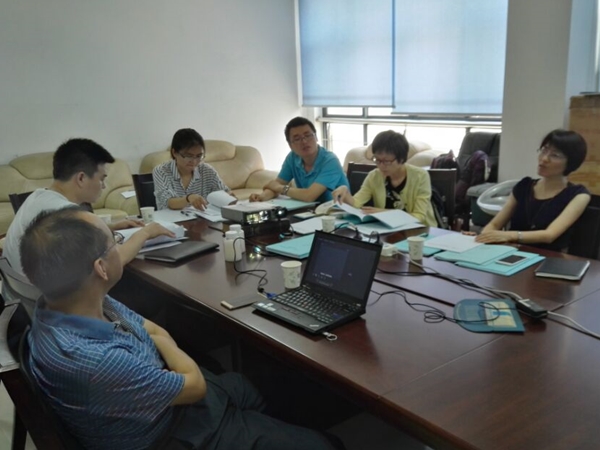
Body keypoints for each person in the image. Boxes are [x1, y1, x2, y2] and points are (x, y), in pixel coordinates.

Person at [20, 206, 343, 450]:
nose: (121, 246)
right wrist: (165, 346)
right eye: (115, 242)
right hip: (170, 432)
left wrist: (162, 345)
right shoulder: (96, 361)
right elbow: (192, 384)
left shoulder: (67, 302)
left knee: (256, 387)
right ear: (101, 268)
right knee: (325, 444)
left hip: (162, 397)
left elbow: (156, 333)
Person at [3, 138, 173, 279]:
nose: (103, 186)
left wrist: (109, 226)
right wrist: (146, 233)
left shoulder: (36, 197)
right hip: (57, 304)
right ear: (81, 178)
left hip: (25, 298)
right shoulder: (72, 215)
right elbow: (111, 264)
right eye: (101, 179)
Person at [475, 129, 590, 251]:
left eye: (555, 155)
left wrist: (508, 235)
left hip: (549, 256)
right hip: (510, 252)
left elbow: (549, 235)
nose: (544, 158)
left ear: (571, 162)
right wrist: (484, 236)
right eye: (544, 150)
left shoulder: (578, 195)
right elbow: (495, 224)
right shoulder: (524, 186)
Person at [332, 130, 437, 226]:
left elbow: (419, 216)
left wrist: (384, 213)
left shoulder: (420, 176)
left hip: (421, 231)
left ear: (401, 159)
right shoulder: (374, 176)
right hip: (389, 229)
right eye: (377, 160)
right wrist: (346, 193)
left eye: (386, 161)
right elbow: (356, 203)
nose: (381, 166)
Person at [249, 117, 349, 203]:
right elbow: (276, 184)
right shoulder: (293, 157)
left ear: (316, 137)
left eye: (308, 135)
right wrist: (261, 197)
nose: (304, 141)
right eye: (297, 139)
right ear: (290, 145)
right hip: (309, 211)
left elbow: (309, 196)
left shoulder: (330, 161)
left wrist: (279, 188)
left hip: (335, 212)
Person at [153, 128, 231, 211]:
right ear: (174, 152)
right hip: (170, 218)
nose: (194, 161)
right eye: (188, 156)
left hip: (202, 217)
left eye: (198, 156)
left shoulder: (207, 170)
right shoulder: (161, 171)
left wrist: (229, 196)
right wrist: (188, 198)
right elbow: (169, 202)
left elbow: (224, 192)